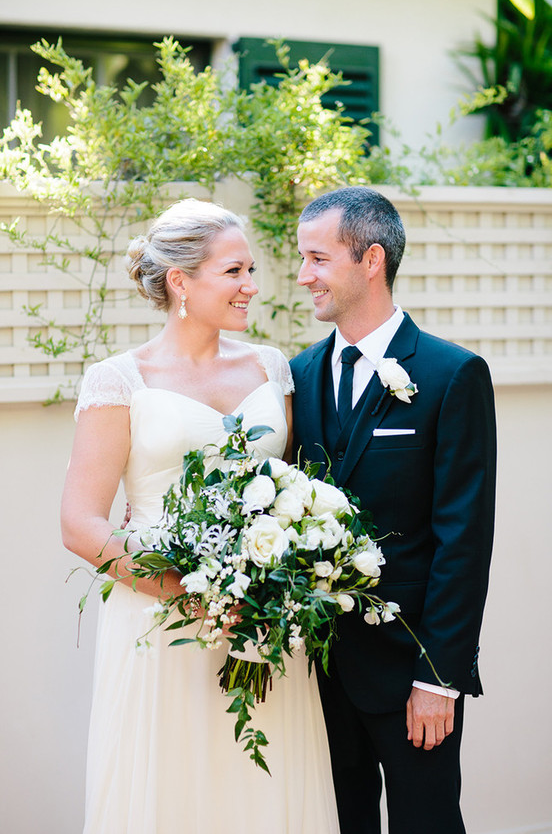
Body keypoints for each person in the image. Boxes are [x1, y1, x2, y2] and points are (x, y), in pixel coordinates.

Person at [61, 198, 340, 834]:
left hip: (261, 624)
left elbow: (290, 490)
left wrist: (282, 575)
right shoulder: (119, 380)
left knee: (261, 787)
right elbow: (80, 523)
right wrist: (190, 593)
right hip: (161, 620)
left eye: (250, 271)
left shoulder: (270, 367)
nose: (251, 286)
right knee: (173, 785)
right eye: (233, 271)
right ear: (180, 281)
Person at [290, 186, 496, 834]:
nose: (303, 275)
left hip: (411, 675)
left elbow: (464, 539)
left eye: (318, 258)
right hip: (319, 672)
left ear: (371, 259)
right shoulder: (297, 376)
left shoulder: (451, 374)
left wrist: (438, 679)